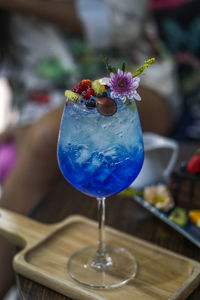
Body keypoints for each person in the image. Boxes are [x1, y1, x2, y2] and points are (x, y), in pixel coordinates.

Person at [0, 0, 180, 297]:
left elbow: (124, 22)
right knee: (48, 171)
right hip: (39, 97)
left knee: (47, 141)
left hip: (128, 81)